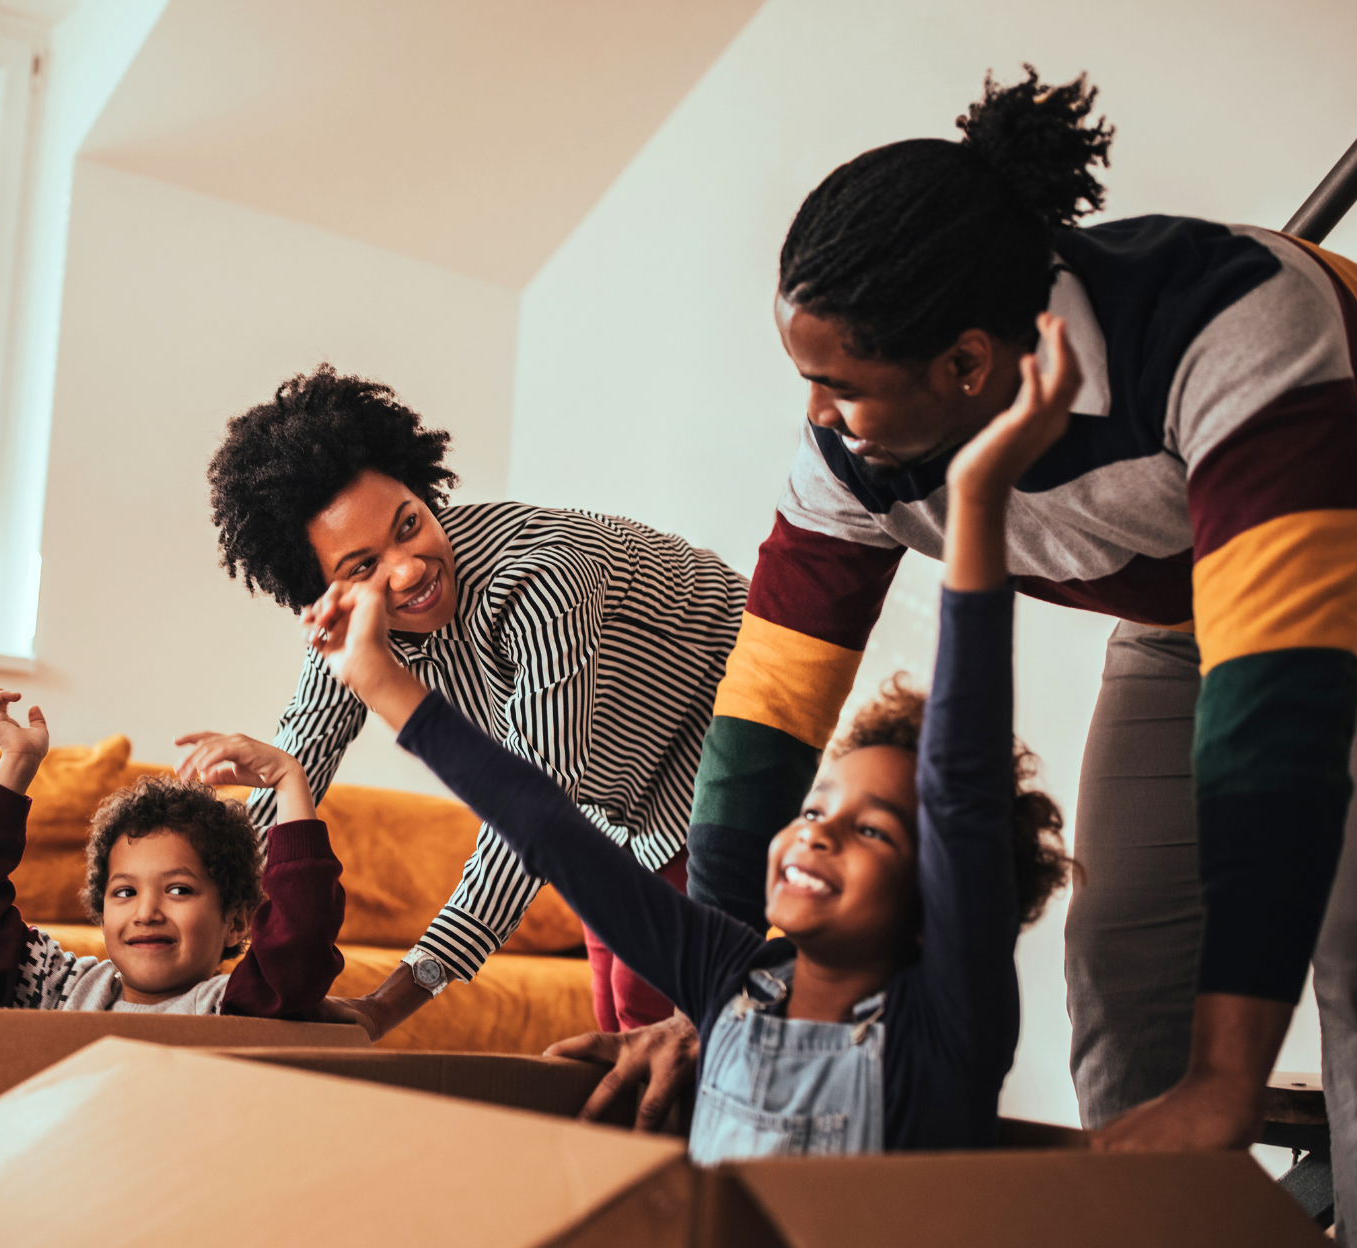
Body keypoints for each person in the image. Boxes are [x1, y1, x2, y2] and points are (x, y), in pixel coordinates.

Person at [588, 65, 1357, 1238]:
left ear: (969, 366)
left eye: (840, 385)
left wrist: (1232, 1080)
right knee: (1118, 952)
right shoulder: (846, 460)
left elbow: (1272, 730)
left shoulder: (1234, 326)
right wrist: (724, 1001)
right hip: (1184, 597)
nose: (816, 417)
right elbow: (767, 709)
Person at [297, 321, 1075, 1156]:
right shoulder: (726, 977)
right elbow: (543, 821)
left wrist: (982, 503)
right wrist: (378, 683)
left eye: (873, 830)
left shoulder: (951, 1023)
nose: (813, 829)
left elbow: (958, 781)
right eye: (816, 807)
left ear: (939, 895)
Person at [208, 366, 746, 1036]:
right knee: (616, 1019)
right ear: (325, 589)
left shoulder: (543, 578)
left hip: (725, 732)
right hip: (611, 792)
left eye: (410, 524)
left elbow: (528, 820)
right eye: (362, 566)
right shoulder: (348, 626)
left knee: (654, 1014)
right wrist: (201, 895)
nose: (407, 569)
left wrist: (389, 1002)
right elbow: (301, 752)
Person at [0, 689, 344, 1016]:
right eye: (125, 892)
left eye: (178, 890)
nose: (146, 912)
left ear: (235, 922)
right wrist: (16, 764)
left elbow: (299, 947)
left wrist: (290, 780)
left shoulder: (232, 1006)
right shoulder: (61, 987)